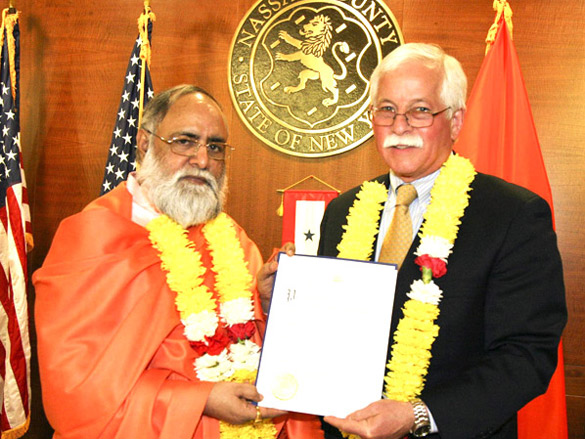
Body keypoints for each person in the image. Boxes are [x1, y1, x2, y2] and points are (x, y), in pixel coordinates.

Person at [33, 85, 324, 439]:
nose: (202, 160)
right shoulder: (91, 237)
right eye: (184, 141)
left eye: (215, 147)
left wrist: (264, 303)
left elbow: (246, 344)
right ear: (144, 143)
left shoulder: (231, 237)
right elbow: (76, 391)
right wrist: (200, 400)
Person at [315, 44, 566, 439]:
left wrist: (418, 415)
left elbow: (525, 356)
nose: (400, 126)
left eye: (419, 110)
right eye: (386, 109)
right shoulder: (343, 212)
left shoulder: (512, 216)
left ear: (455, 120)